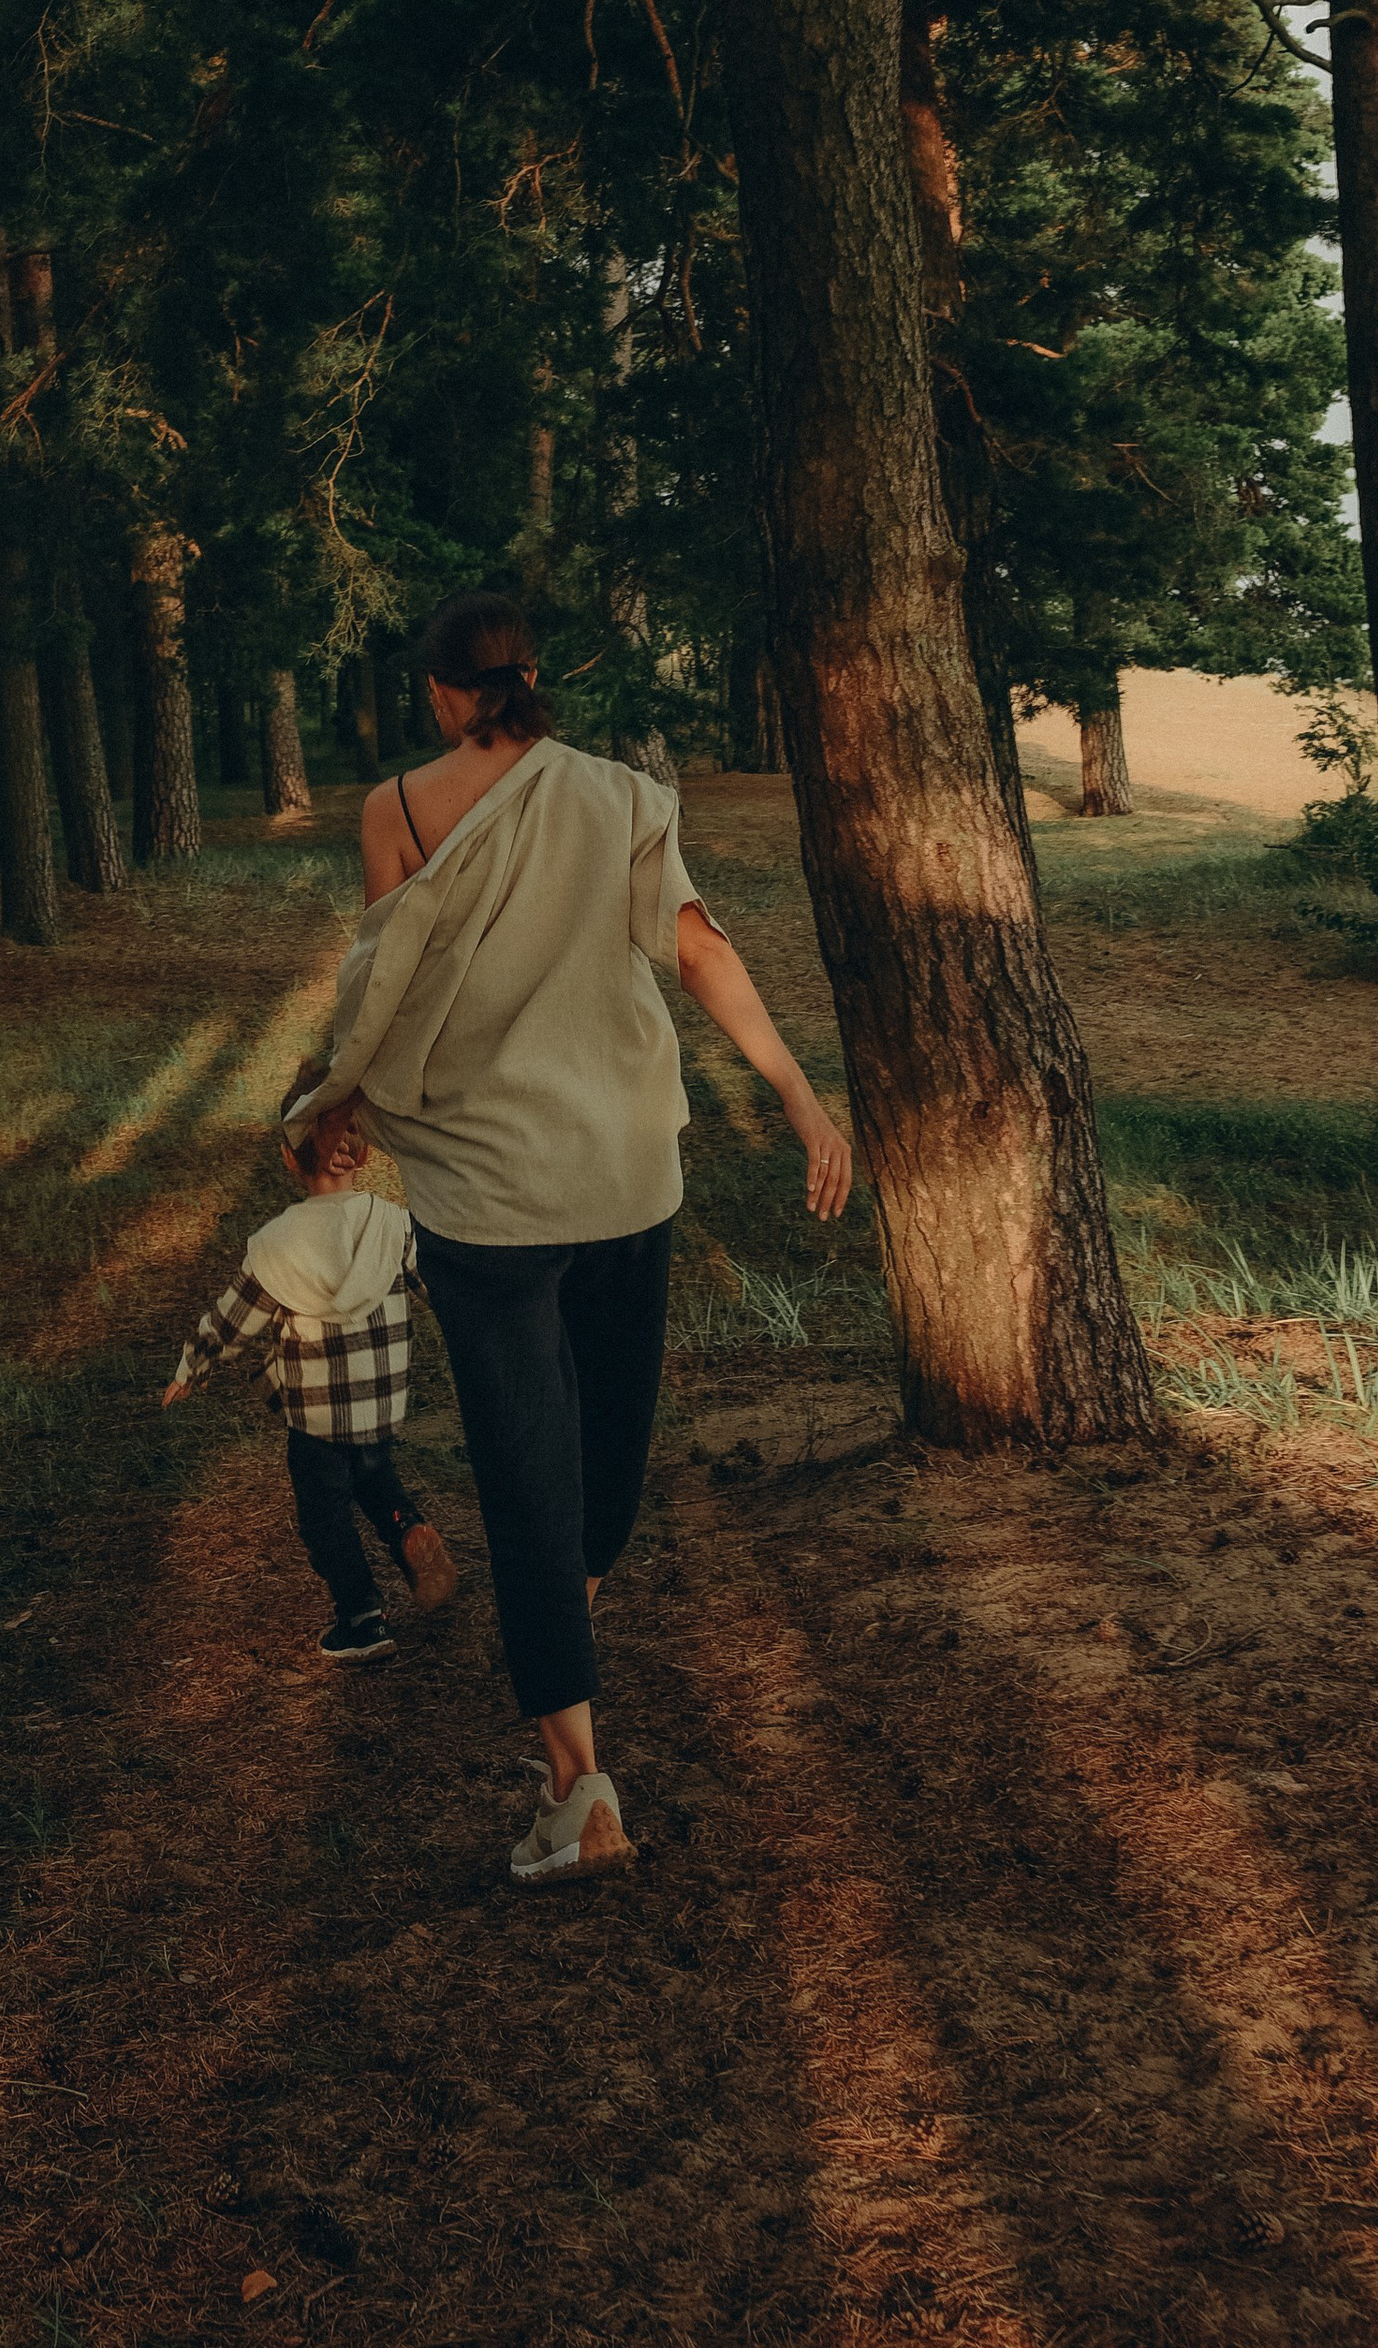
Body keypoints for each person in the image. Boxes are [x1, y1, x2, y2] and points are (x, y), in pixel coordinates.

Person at [281, 588, 851, 1881]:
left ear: (440, 691)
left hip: (487, 1195)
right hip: (625, 1174)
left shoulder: (400, 811)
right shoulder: (624, 797)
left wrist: (331, 1105)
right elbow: (701, 952)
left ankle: (580, 1779)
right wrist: (798, 1087)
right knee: (600, 1457)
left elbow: (383, 986)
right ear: (533, 677)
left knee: (528, 1465)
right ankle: (566, 1668)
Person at [161, 1095, 461, 1664]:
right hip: (379, 1404)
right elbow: (445, 1293)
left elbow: (231, 1321)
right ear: (364, 1152)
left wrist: (191, 1367)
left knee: (324, 1517)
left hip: (315, 1418)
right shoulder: (393, 1225)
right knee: (376, 1481)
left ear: (288, 1158)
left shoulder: (277, 1245)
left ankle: (361, 1614)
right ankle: (408, 1534)